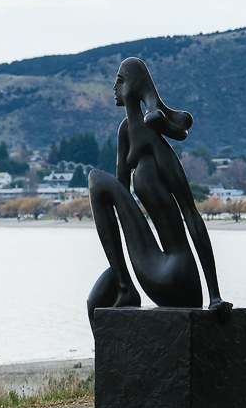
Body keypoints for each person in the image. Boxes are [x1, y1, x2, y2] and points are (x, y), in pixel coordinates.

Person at [86, 57, 231, 332]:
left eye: (120, 80)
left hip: (176, 273)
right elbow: (120, 195)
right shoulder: (126, 131)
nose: (114, 86)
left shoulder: (154, 141)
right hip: (155, 262)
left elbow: (191, 214)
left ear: (133, 85)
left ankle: (125, 285)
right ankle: (123, 284)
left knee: (95, 180)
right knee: (95, 302)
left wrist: (214, 295)